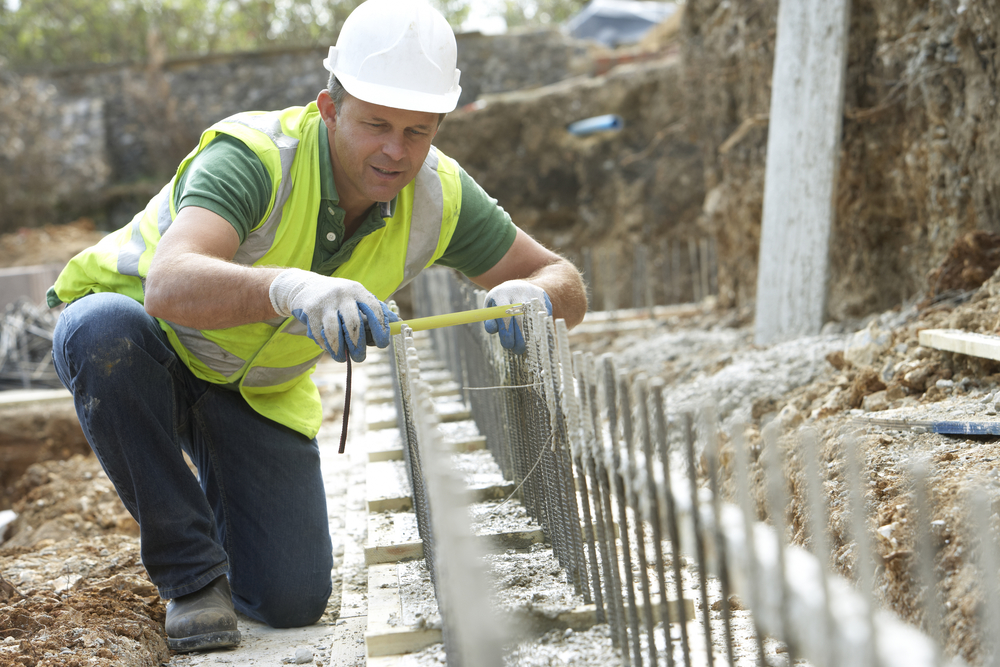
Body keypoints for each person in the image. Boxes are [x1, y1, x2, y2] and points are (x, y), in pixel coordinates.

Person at [46, 0, 585, 654]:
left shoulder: (440, 195)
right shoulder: (254, 155)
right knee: (101, 332)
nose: (395, 150)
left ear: (440, 126)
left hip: (252, 392)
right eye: (376, 124)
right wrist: (291, 287)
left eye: (418, 131)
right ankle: (189, 573)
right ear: (330, 109)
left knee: (291, 598)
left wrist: (532, 292)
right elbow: (169, 282)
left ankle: (223, 503)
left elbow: (564, 278)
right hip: (149, 345)